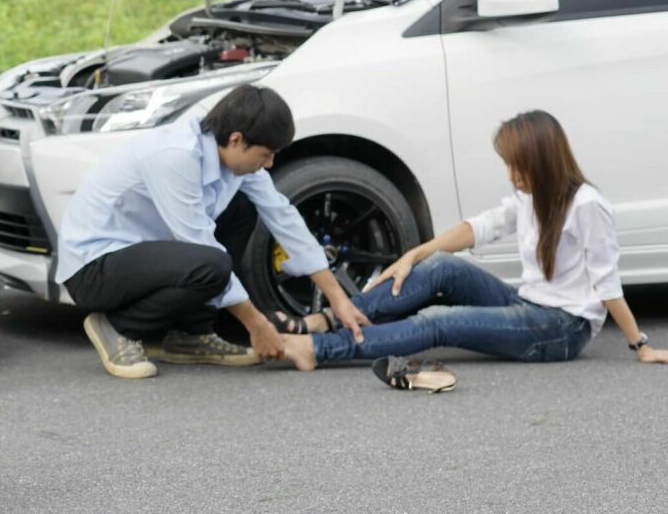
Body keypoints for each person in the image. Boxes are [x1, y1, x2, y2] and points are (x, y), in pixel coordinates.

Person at [279, 110, 668, 379]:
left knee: (437, 324)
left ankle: (318, 348)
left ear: (544, 163)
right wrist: (413, 255)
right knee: (440, 267)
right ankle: (328, 319)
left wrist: (641, 346)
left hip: (561, 329)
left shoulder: (587, 206)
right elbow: (481, 227)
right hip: (528, 304)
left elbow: (607, 284)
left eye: (518, 166)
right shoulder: (533, 196)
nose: (512, 175)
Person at [56, 83, 371, 379]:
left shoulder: (232, 160)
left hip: (142, 257)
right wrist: (257, 324)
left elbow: (283, 216)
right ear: (236, 140)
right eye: (265, 154)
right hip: (94, 268)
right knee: (212, 264)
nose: (270, 164)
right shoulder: (175, 158)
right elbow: (198, 242)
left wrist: (338, 299)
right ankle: (117, 327)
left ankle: (191, 335)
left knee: (243, 210)